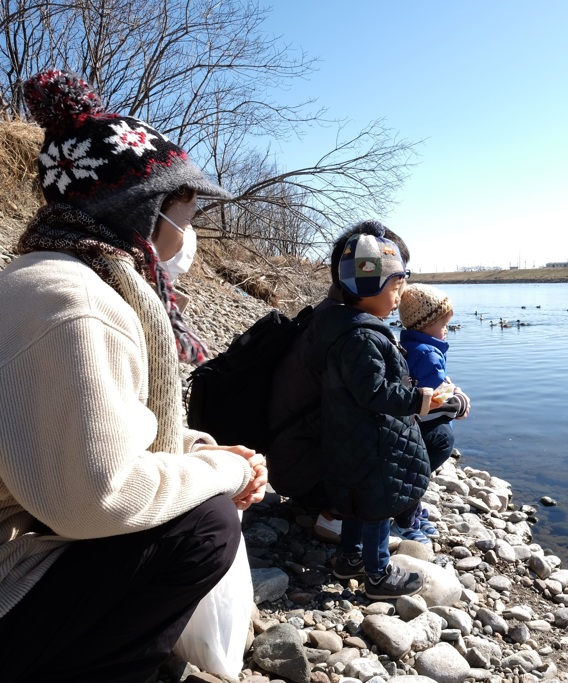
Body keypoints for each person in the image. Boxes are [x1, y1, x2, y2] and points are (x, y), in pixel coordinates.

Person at [0, 69, 267, 682]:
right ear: (144, 213)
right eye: (187, 209)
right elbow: (96, 499)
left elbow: (97, 418)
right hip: (8, 587)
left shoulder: (46, 277)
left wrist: (199, 450)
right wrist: (227, 471)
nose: (191, 230)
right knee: (207, 526)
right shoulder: (80, 304)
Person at [266, 221, 459, 599]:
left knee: (354, 505)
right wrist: (421, 399)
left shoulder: (339, 322)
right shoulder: (363, 336)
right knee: (374, 509)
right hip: (368, 442)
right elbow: (373, 391)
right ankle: (377, 574)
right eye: (396, 286)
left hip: (346, 437)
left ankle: (348, 559)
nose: (400, 297)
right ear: (371, 290)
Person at [390, 284, 470, 541]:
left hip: (411, 418)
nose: (446, 330)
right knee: (421, 467)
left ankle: (412, 511)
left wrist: (452, 387)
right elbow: (435, 396)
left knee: (417, 467)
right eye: (442, 324)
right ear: (426, 325)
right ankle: (404, 521)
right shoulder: (428, 354)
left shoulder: (411, 344)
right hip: (421, 421)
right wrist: (457, 404)